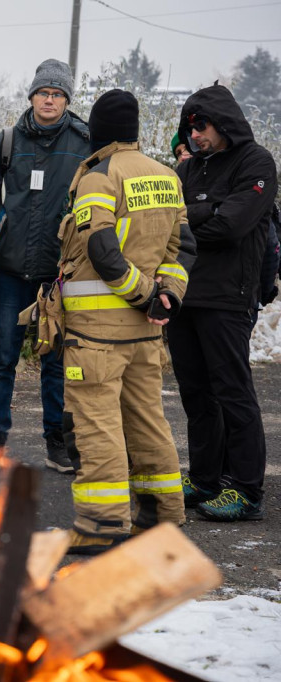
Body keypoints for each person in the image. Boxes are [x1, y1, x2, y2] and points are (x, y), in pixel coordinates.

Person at [58, 89, 195, 554]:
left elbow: (100, 248)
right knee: (148, 423)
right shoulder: (166, 176)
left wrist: (142, 296)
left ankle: (101, 527)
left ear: (98, 130)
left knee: (97, 428)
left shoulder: (99, 176)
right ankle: (161, 518)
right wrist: (166, 298)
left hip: (96, 335)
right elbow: (183, 250)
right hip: (146, 335)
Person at [170, 83, 277, 522]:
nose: (195, 135)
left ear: (224, 123)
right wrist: (206, 210)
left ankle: (247, 490)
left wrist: (194, 216)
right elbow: (167, 221)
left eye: (202, 126)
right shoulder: (191, 167)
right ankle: (205, 478)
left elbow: (231, 226)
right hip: (184, 292)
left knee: (232, 392)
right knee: (196, 394)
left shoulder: (257, 162)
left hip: (229, 296)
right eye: (190, 127)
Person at [0, 58, 91, 471]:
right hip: (9, 271)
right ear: (31, 96)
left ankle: (57, 445)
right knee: (2, 359)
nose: (49, 99)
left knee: (56, 362)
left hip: (58, 274)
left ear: (66, 100)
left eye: (57, 94)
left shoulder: (85, 143)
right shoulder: (5, 142)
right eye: (43, 92)